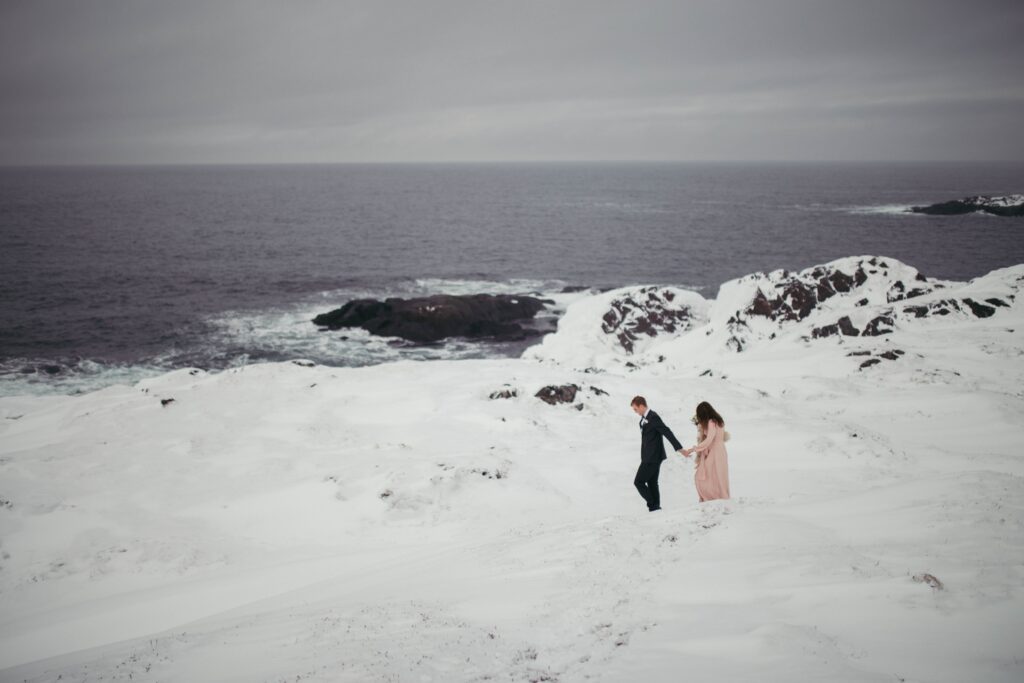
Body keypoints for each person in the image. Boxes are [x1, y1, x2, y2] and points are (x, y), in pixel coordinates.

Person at [630, 395, 685, 512]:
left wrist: (679, 448)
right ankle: (655, 508)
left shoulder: (653, 417)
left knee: (638, 482)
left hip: (652, 457)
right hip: (650, 456)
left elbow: (666, 431)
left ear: (641, 406)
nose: (635, 412)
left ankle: (653, 504)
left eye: (635, 409)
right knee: (652, 482)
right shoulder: (644, 419)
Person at [681, 401, 730, 501]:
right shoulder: (718, 421)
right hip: (721, 451)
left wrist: (693, 449)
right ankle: (720, 496)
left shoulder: (711, 422)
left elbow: (709, 440)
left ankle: (712, 497)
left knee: (701, 476)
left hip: (715, 451)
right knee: (718, 476)